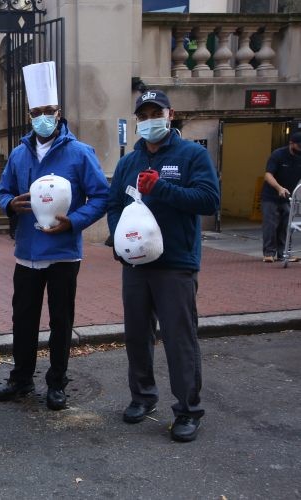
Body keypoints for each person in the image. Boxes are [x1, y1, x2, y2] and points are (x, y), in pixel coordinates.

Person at [0, 61, 109, 411]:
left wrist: (73, 222)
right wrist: (10, 204)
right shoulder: (18, 154)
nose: (43, 117)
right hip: (27, 253)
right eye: (36, 112)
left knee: (61, 321)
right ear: (30, 115)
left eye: (48, 111)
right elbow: (3, 191)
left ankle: (57, 382)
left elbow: (102, 196)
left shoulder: (80, 153)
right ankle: (22, 378)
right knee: (23, 320)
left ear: (59, 113)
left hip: (62, 253)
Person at [107, 89, 220, 442]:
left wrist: (163, 190)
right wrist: (118, 241)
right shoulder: (129, 161)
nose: (149, 119)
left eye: (156, 112)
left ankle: (188, 410)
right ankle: (143, 397)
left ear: (170, 115)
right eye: (143, 114)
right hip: (136, 266)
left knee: (178, 339)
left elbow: (209, 201)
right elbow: (114, 204)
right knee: (137, 335)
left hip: (175, 264)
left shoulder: (192, 155)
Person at [260, 131, 301, 263]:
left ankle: (283, 253)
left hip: (288, 196)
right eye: (299, 146)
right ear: (291, 144)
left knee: (286, 225)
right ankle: (269, 253)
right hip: (271, 195)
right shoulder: (278, 155)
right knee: (270, 224)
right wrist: (279, 188)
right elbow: (268, 175)